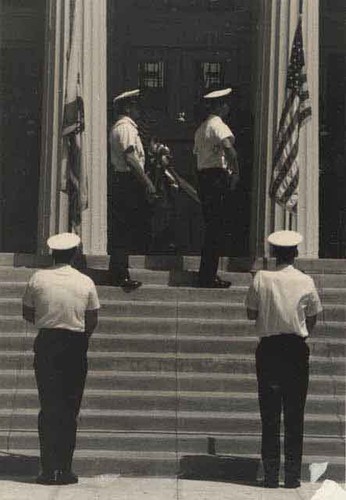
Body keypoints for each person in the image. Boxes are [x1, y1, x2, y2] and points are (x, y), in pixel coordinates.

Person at [245, 230, 322, 489]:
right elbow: (312, 317)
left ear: (273, 254)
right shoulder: (305, 280)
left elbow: (250, 313)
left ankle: (269, 475)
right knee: (294, 413)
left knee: (269, 414)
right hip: (295, 349)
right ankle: (291, 475)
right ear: (296, 254)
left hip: (269, 348)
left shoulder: (261, 279)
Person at [22, 232, 100, 485]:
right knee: (69, 408)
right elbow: (92, 319)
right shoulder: (85, 281)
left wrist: (48, 323)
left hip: (47, 343)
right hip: (74, 344)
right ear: (75, 254)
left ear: (52, 253)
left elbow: (27, 312)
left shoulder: (38, 278)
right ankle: (64, 468)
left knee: (49, 406)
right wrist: (79, 336)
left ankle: (48, 469)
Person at [108, 89, 156, 291]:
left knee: (123, 228)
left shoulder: (123, 127)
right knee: (123, 229)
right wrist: (147, 182)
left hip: (124, 180)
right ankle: (120, 274)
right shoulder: (126, 128)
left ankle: (118, 271)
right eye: (135, 106)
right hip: (127, 180)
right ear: (127, 108)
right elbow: (130, 158)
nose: (139, 110)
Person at [193, 87, 239, 288]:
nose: (228, 107)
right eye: (225, 103)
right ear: (220, 106)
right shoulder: (218, 125)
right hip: (216, 177)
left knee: (212, 228)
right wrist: (235, 172)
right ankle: (208, 276)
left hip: (204, 177)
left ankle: (207, 273)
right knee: (216, 229)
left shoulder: (201, 128)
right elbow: (229, 148)